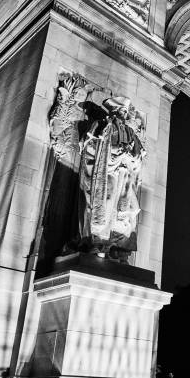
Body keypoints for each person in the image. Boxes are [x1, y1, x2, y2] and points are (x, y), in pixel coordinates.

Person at [79, 96, 146, 263]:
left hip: (125, 176)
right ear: (114, 112)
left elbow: (139, 157)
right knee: (105, 207)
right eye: (121, 111)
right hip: (107, 173)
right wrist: (116, 151)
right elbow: (89, 146)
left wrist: (132, 156)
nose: (124, 114)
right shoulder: (101, 125)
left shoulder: (131, 133)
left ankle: (118, 247)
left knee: (125, 211)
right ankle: (98, 243)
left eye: (125, 112)